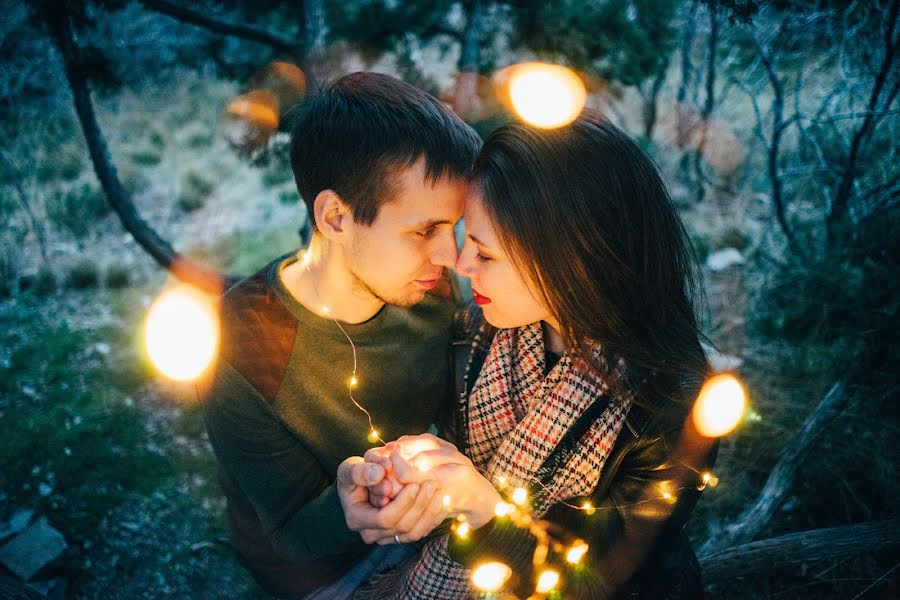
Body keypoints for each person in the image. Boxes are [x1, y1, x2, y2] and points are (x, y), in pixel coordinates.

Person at [340, 111, 717, 599]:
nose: (461, 264)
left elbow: (603, 574)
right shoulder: (478, 333)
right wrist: (390, 481)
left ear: (571, 261)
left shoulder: (673, 398)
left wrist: (487, 516)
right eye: (465, 239)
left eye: (486, 253)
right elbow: (447, 454)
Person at [199, 72, 481, 598]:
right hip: (321, 571)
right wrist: (350, 508)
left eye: (454, 227)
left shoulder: (431, 289)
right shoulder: (237, 350)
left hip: (433, 516)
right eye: (424, 231)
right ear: (335, 216)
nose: (453, 258)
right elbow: (286, 533)